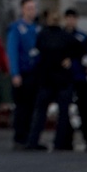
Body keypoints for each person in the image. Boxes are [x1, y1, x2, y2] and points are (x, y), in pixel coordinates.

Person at [26, 11, 74, 151]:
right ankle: (59, 142)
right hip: (63, 79)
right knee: (63, 113)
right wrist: (68, 58)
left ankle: (33, 140)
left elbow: (36, 54)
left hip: (46, 78)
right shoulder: (66, 37)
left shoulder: (42, 36)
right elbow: (80, 49)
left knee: (40, 111)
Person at [6, 0, 40, 147]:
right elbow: (12, 51)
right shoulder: (16, 28)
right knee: (22, 106)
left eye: (33, 8)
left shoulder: (37, 29)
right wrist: (15, 73)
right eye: (29, 8)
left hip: (34, 73)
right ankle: (19, 136)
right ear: (22, 10)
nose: (31, 12)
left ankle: (28, 135)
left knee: (32, 106)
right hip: (23, 72)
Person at [62, 8, 87, 150]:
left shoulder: (82, 36)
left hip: (80, 77)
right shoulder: (61, 35)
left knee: (84, 109)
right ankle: (66, 139)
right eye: (68, 18)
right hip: (66, 77)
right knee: (66, 110)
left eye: (73, 18)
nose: (71, 20)